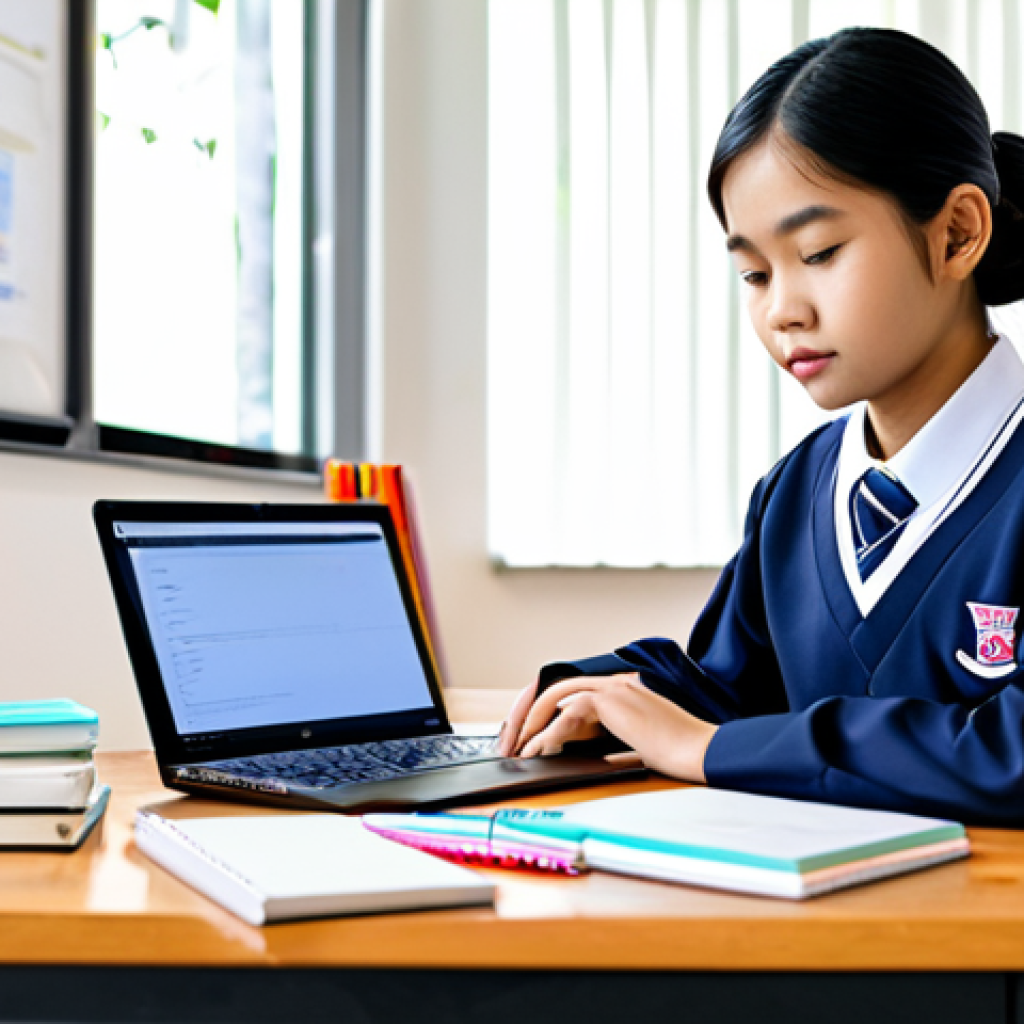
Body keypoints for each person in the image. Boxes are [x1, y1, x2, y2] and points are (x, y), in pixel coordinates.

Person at [497, 27, 1024, 825]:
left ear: (957, 233)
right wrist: (591, 688)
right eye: (753, 272)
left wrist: (708, 750)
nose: (781, 310)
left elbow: (1008, 752)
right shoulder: (797, 490)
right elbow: (728, 687)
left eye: (818, 252)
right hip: (803, 915)